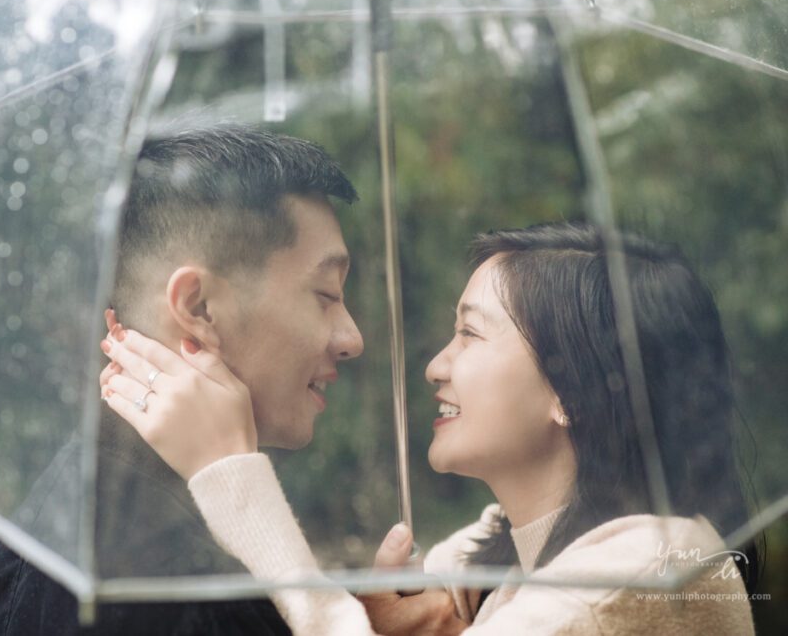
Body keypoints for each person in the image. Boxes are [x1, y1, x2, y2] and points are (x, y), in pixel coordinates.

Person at [101, 222, 760, 635]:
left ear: (572, 389)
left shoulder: (645, 571)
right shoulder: (506, 554)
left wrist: (229, 471)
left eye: (469, 334)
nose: (435, 367)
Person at [0, 125, 368, 635]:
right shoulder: (159, 582)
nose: (351, 338)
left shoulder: (96, 527)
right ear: (199, 308)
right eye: (327, 294)